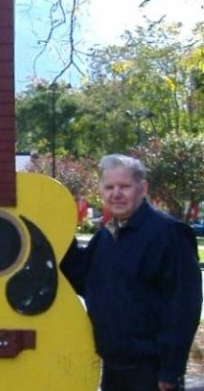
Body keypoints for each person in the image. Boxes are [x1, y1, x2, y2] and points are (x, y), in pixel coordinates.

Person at [62, 153, 202, 391]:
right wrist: (57, 238)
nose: (116, 193)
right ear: (101, 191)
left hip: (152, 372)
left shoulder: (169, 234)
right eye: (109, 187)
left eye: (124, 186)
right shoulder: (105, 236)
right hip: (113, 370)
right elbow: (86, 281)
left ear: (142, 188)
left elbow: (183, 307)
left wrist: (171, 371)